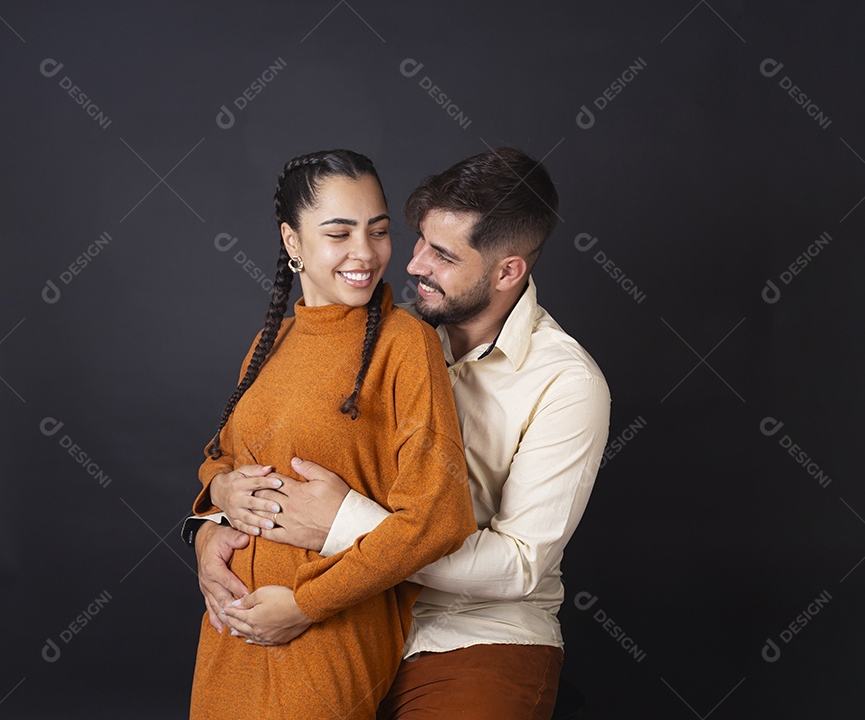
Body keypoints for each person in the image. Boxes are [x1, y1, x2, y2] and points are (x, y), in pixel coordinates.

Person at [193, 147, 611, 719]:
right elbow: (259, 449)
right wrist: (212, 516)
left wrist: (342, 524)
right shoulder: (383, 329)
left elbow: (517, 565)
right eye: (417, 241)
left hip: (471, 635)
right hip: (358, 614)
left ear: (507, 270)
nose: (412, 265)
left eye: (441, 254)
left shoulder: (567, 383)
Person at [187, 149, 477, 719]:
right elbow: (219, 459)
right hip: (229, 635)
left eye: (379, 231)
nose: (365, 254)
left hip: (324, 635)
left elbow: (440, 518)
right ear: (292, 242)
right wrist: (212, 509)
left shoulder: (405, 344)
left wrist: (305, 605)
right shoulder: (272, 341)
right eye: (339, 233)